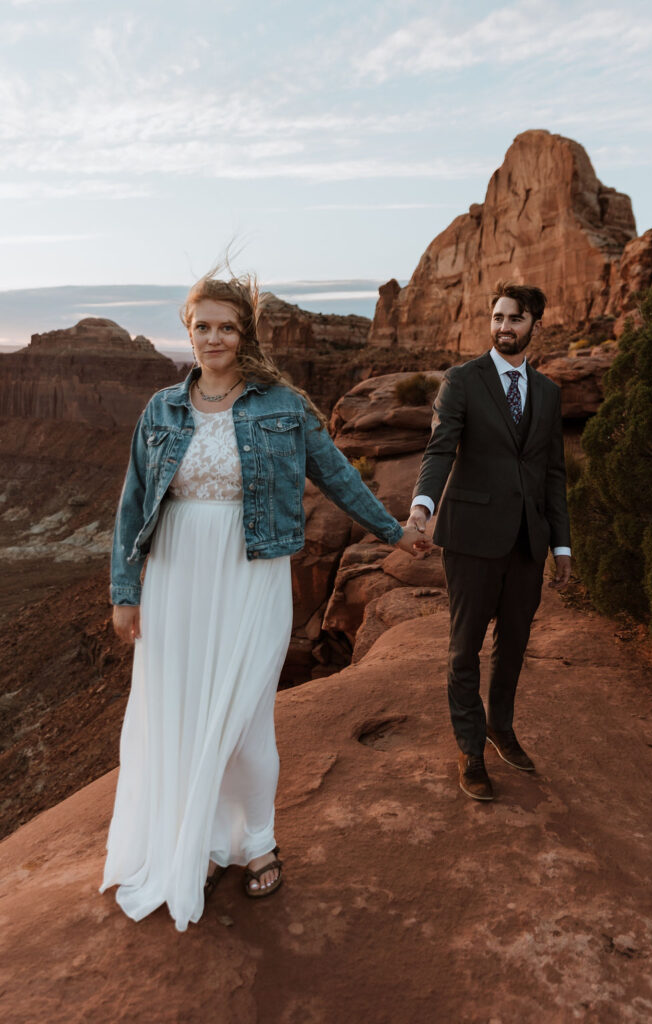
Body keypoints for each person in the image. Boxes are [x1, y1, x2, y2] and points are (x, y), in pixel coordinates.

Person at [101, 270, 429, 931]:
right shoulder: (161, 408)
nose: (214, 337)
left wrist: (395, 530)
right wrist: (125, 593)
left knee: (246, 723)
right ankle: (198, 841)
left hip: (250, 574)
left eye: (227, 326)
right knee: (180, 713)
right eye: (203, 326)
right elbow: (133, 504)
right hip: (174, 576)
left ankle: (258, 842)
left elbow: (336, 475)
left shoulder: (280, 405)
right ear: (187, 332)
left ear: (243, 335)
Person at [407, 281, 571, 801]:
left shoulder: (547, 392)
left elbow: (552, 473)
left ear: (533, 326)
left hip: (528, 540)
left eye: (515, 319)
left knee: (515, 645)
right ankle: (471, 749)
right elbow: (440, 450)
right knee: (464, 651)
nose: (504, 327)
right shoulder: (462, 381)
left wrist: (561, 545)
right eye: (497, 317)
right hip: (472, 537)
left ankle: (501, 728)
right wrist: (422, 506)